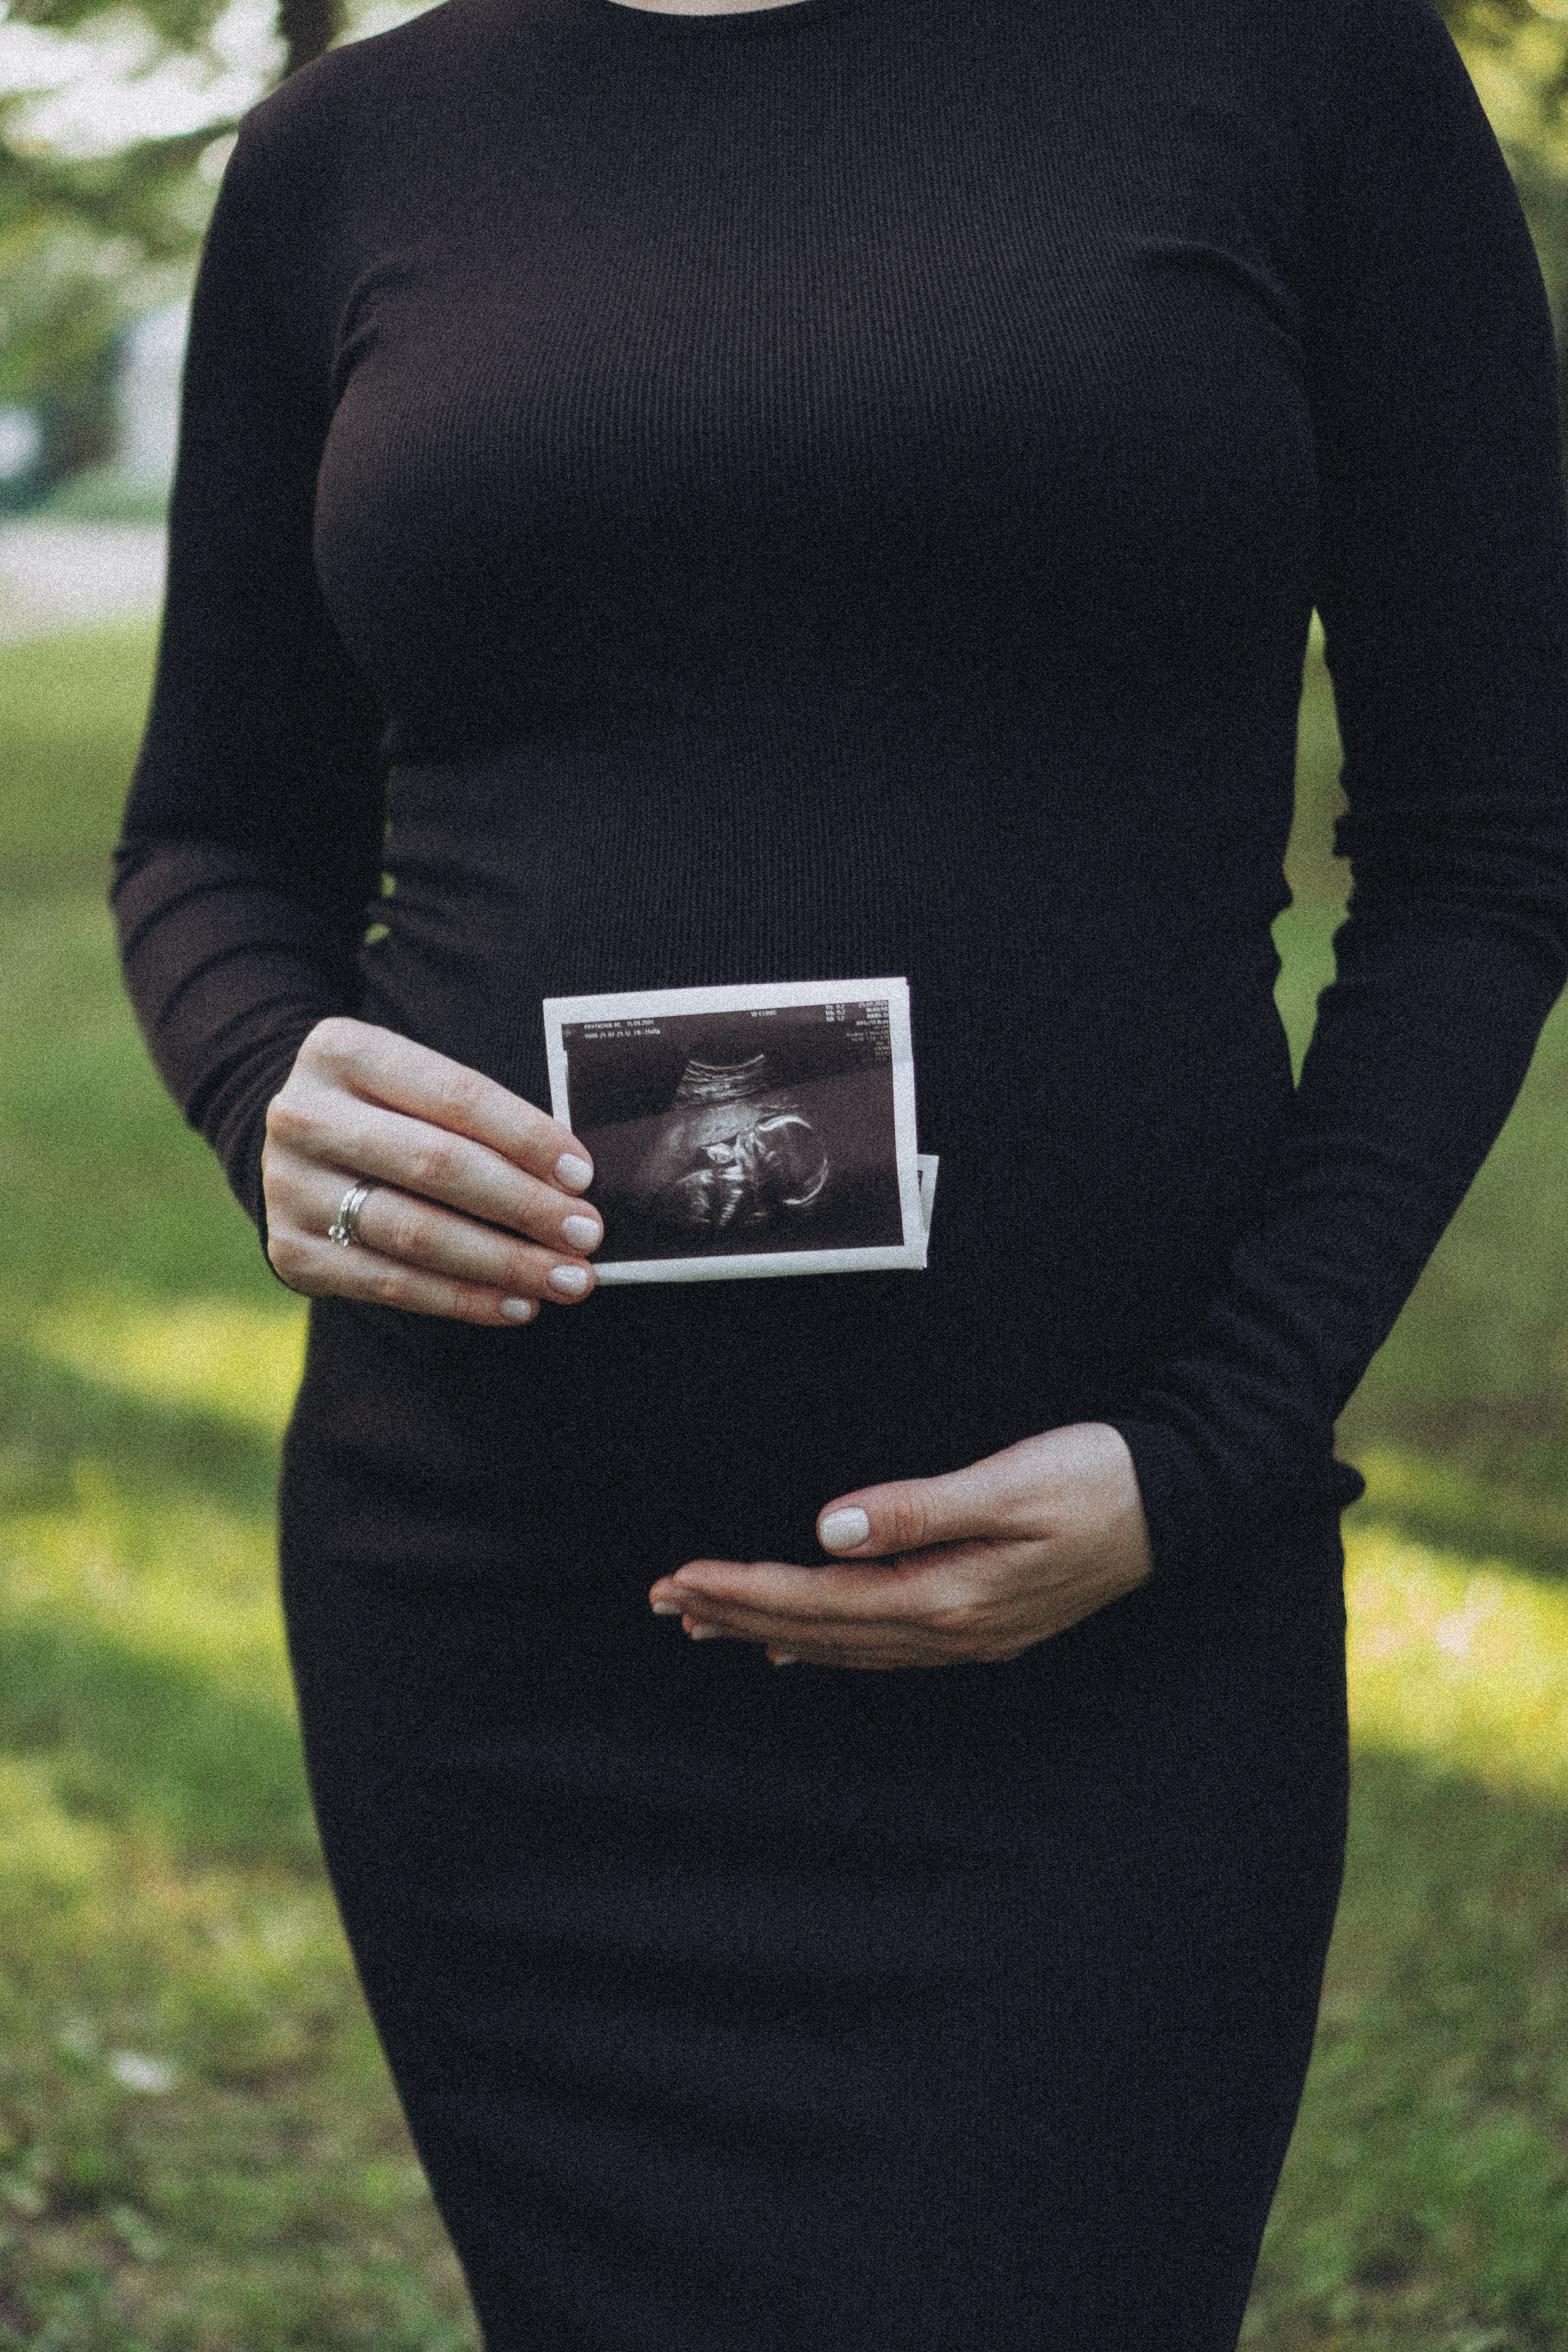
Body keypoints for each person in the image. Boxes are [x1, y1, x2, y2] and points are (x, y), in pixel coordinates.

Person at [112, 0, 1568, 2337]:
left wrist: (1208, 1449)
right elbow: (210, 835)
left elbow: (1492, 843)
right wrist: (262, 1079)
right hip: (502, 1618)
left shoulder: (1298, 67)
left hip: (1108, 1633)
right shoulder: (347, 153)